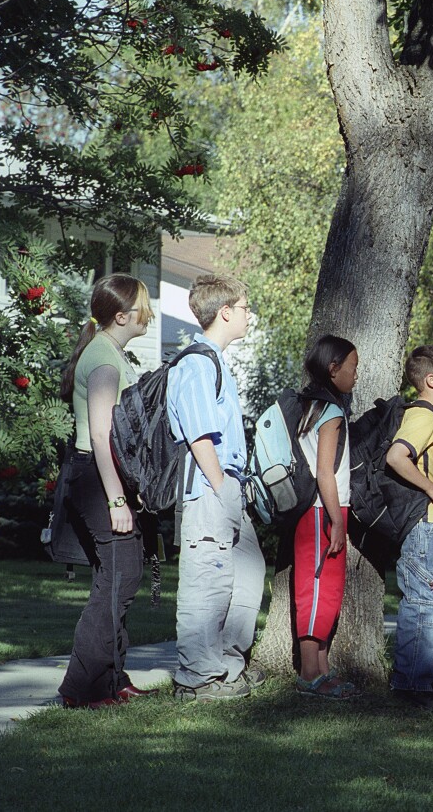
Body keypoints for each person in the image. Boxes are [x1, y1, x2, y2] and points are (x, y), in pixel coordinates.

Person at [56, 274, 157, 708]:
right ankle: (82, 689)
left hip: (103, 476)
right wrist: (117, 499)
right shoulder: (103, 357)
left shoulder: (110, 352)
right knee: (119, 578)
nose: (148, 314)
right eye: (142, 307)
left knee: (117, 579)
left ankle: (112, 679)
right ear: (121, 316)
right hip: (98, 479)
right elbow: (101, 434)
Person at [167, 273, 265, 701]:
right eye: (244, 308)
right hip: (209, 489)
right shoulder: (196, 363)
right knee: (206, 581)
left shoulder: (217, 362)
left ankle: (227, 667)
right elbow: (199, 436)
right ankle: (198, 678)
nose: (249, 315)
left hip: (227, 488)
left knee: (246, 576)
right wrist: (222, 486)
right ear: (225, 312)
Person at [386, 345, 433, 712]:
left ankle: (422, 681)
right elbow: (396, 456)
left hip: (431, 523)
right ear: (431, 380)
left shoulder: (432, 416)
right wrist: (431, 487)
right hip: (422, 524)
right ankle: (410, 686)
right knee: (424, 602)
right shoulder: (423, 416)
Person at [293, 334, 360, 699]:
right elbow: (325, 473)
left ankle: (322, 668)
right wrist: (336, 521)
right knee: (317, 591)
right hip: (324, 511)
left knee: (325, 591)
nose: (355, 375)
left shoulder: (311, 405)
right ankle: (309, 674)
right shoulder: (330, 412)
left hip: (320, 510)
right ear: (334, 369)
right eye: (352, 368)